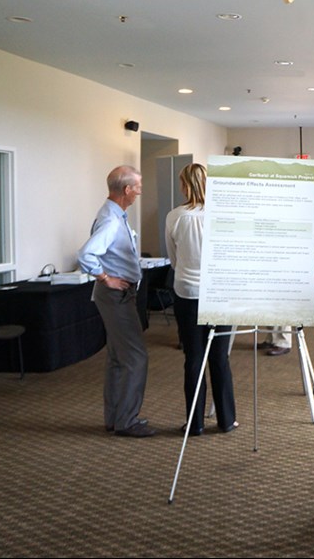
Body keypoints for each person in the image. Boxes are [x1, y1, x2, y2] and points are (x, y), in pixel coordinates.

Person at [78, 165, 155, 438]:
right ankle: (126, 421)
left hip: (117, 296)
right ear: (126, 190)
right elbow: (86, 254)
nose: (140, 191)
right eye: (138, 186)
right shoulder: (111, 220)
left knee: (117, 358)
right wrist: (104, 277)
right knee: (135, 357)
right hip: (116, 295)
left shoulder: (114, 214)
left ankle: (115, 418)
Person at [165, 163, 237, 436]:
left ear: (185, 185)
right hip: (220, 294)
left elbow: (173, 258)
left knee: (193, 358)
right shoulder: (224, 215)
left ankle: (194, 423)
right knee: (219, 358)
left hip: (186, 293)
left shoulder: (175, 216)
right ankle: (226, 420)